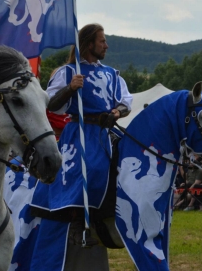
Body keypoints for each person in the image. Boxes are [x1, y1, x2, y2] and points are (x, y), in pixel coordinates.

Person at [37, 23, 132, 244]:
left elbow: (126, 102)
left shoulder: (111, 74)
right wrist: (70, 88)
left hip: (106, 132)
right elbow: (51, 104)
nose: (106, 45)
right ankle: (78, 221)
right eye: (102, 41)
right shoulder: (68, 72)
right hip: (78, 132)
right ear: (89, 44)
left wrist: (117, 112)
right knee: (89, 168)